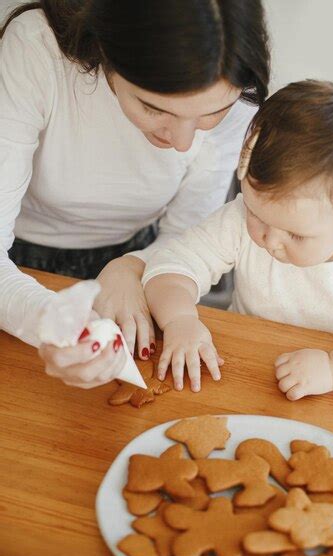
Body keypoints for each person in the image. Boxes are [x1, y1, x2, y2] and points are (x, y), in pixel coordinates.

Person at [0, 0, 269, 388]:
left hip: (143, 260)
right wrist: (51, 321)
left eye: (211, 114)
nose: (182, 142)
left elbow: (188, 233)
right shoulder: (36, 48)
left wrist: (133, 265)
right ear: (106, 52)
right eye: (154, 108)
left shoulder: (239, 91)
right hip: (20, 266)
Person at [142, 80, 333, 400]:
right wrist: (179, 319)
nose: (270, 240)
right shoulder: (238, 219)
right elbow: (171, 264)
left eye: (297, 234)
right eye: (257, 215)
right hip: (243, 373)